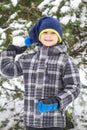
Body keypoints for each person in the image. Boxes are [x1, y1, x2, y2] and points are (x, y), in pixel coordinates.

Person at [0, 16, 80, 130]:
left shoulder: (65, 61)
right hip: (31, 121)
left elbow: (74, 87)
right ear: (39, 36)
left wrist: (57, 101)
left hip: (53, 122)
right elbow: (7, 70)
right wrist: (11, 51)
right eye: (45, 32)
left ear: (59, 37)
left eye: (53, 33)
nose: (48, 36)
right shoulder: (28, 59)